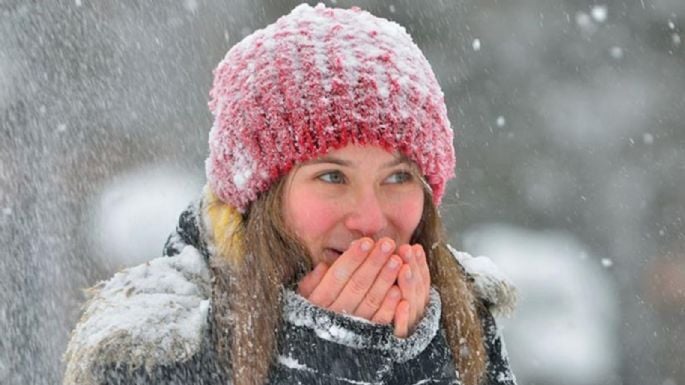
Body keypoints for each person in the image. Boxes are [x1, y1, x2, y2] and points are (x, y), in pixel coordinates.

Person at [63, 4, 517, 385]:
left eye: (398, 178)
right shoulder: (154, 348)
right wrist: (315, 365)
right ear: (261, 196)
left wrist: (421, 363)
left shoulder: (461, 318)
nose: (371, 219)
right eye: (333, 177)